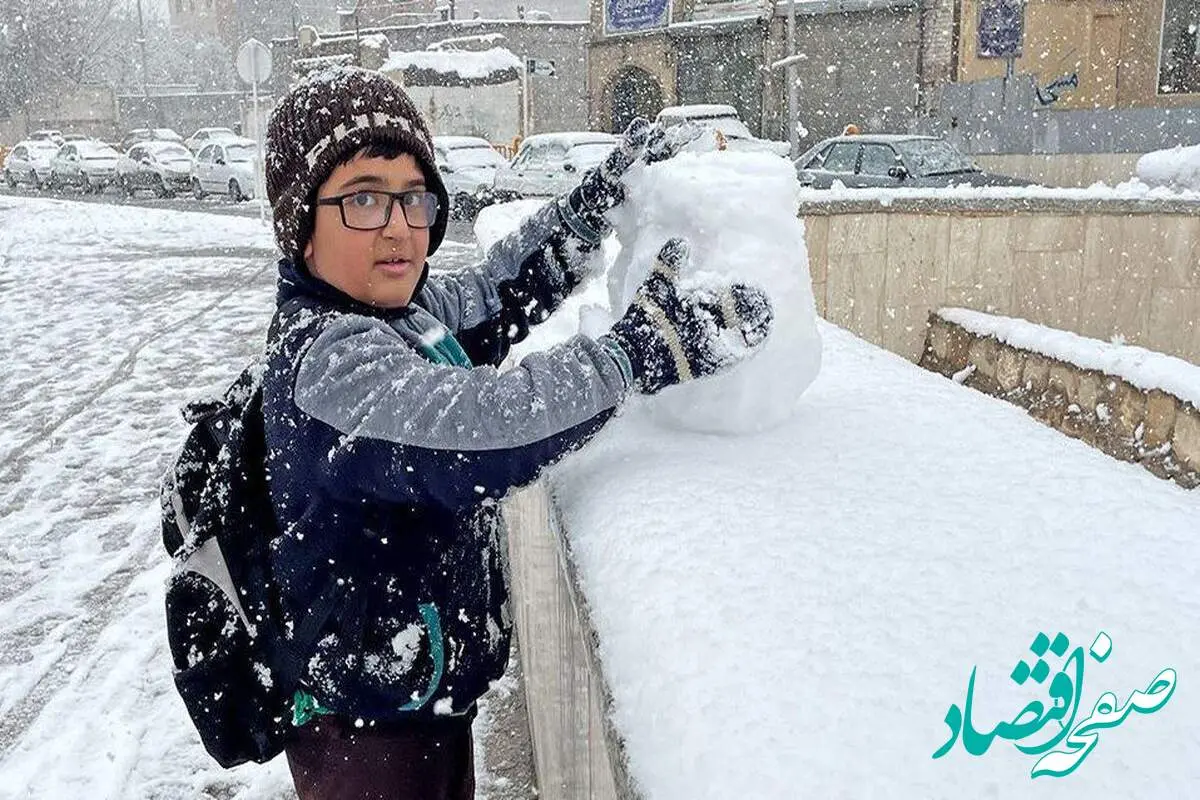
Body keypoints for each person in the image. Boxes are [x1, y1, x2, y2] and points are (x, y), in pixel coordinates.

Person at [260, 66, 774, 799]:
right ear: (299, 223)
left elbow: (496, 293)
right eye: (365, 199)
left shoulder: (398, 313)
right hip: (366, 738)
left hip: (420, 703)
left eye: (414, 197)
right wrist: (634, 353)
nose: (401, 226)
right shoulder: (331, 363)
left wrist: (585, 215)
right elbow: (483, 429)